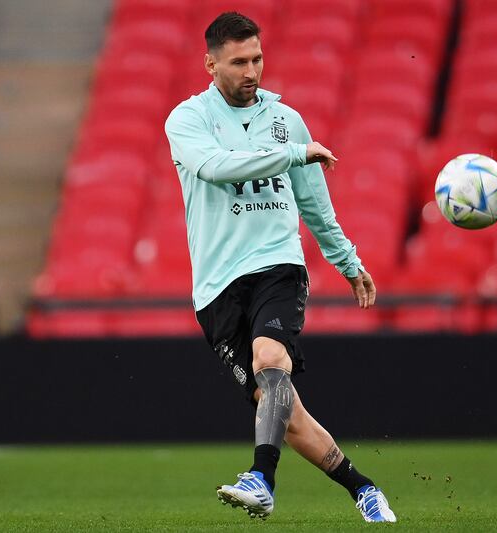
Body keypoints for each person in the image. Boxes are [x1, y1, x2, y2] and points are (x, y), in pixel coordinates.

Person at [164, 12, 396, 523]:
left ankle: (261, 479)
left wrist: (347, 261)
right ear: (210, 64)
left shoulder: (286, 119)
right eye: (239, 61)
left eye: (258, 59)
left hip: (277, 265)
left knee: (272, 359)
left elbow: (314, 204)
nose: (252, 71)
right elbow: (215, 168)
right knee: (285, 414)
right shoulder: (187, 120)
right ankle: (364, 489)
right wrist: (291, 154)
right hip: (216, 286)